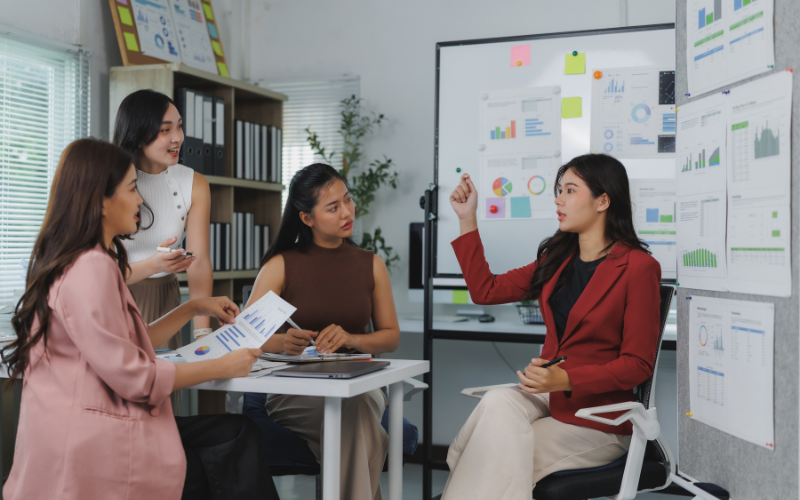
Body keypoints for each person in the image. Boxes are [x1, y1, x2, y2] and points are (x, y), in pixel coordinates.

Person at [1, 138, 280, 500]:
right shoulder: (91, 268)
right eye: (132, 189)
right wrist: (223, 366)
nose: (141, 201)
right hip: (94, 444)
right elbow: (137, 377)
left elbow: (126, 345)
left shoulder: (79, 260)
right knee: (231, 450)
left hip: (86, 429)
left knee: (236, 434)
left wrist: (193, 308)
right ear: (100, 200)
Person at [441, 154, 661, 499]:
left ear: (603, 201)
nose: (558, 199)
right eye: (559, 190)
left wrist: (568, 378)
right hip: (549, 396)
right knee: (498, 402)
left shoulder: (638, 267)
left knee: (488, 457)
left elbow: (638, 364)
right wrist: (467, 218)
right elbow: (485, 291)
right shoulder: (556, 259)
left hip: (598, 418)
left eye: (570, 190)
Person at [244, 163, 400, 500]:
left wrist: (351, 339)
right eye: (333, 207)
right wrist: (283, 342)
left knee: (355, 409)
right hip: (295, 391)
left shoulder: (370, 264)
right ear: (307, 218)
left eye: (347, 200)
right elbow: (244, 337)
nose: (346, 212)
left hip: (360, 383)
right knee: (362, 430)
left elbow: (390, 336)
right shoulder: (281, 266)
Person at [113, 89, 214, 346]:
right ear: (137, 134)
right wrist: (154, 264)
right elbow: (95, 272)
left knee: (167, 380)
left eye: (179, 127)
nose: (177, 138)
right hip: (115, 295)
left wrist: (203, 334)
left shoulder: (194, 183)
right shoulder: (111, 181)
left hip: (167, 298)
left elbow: (199, 263)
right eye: (165, 130)